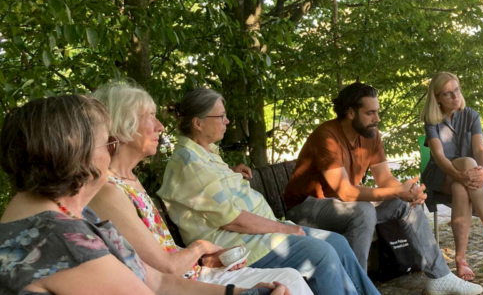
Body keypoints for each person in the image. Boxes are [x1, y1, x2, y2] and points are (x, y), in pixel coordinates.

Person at [0, 95, 283, 295]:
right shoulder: (61, 240)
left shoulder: (68, 215)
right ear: (77, 155)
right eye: (108, 143)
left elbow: (158, 282)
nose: (112, 152)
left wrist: (238, 293)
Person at [88, 82, 312, 295]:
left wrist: (206, 261)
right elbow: (164, 271)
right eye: (150, 117)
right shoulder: (108, 191)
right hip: (179, 284)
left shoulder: (129, 180)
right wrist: (200, 248)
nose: (161, 126)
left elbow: (159, 255)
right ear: (122, 124)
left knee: (290, 278)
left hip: (193, 273)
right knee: (288, 281)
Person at [157, 88, 379, 295]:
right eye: (221, 116)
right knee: (322, 255)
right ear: (198, 123)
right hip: (237, 246)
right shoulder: (189, 161)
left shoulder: (204, 155)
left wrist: (232, 173)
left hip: (258, 236)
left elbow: (208, 190)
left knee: (337, 242)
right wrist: (284, 229)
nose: (227, 121)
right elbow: (232, 220)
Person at [284, 82, 483, 295]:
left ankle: (440, 277)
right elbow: (346, 192)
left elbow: (385, 178)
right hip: (305, 208)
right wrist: (397, 191)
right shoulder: (327, 136)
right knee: (363, 210)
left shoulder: (371, 135)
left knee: (405, 204)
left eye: (377, 112)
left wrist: (407, 192)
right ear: (350, 112)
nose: (377, 119)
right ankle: (353, 288)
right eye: (370, 113)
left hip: (341, 206)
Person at [419, 72, 483, 281]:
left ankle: (460, 259)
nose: (455, 97)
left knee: (461, 186)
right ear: (437, 99)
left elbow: (480, 149)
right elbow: (438, 155)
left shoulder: (471, 115)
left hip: (469, 179)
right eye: (447, 94)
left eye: (457, 90)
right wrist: (458, 174)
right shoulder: (431, 120)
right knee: (466, 165)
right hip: (440, 174)